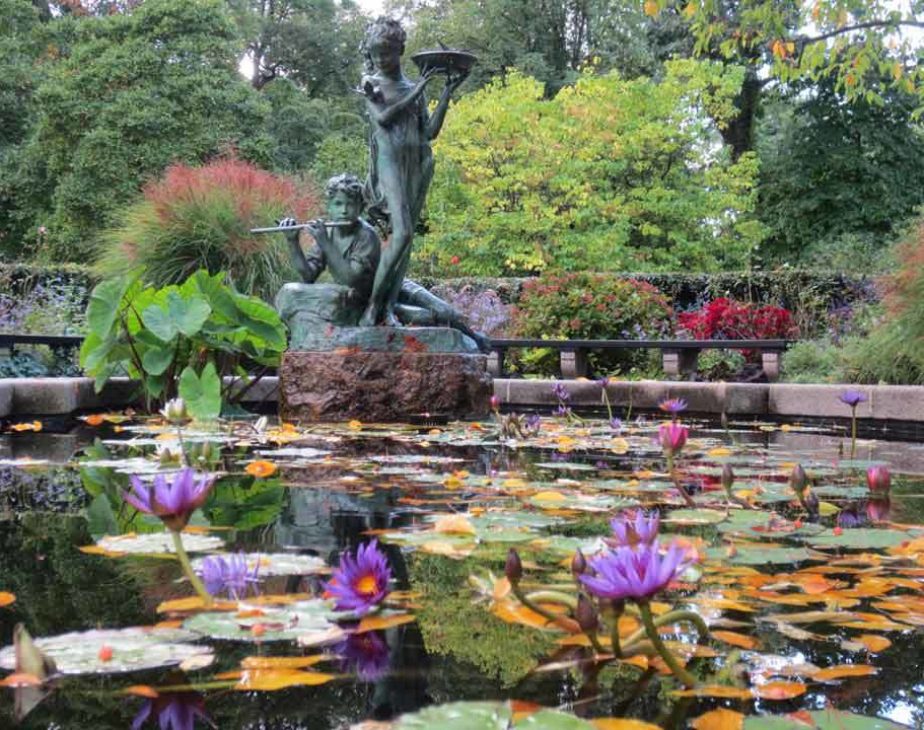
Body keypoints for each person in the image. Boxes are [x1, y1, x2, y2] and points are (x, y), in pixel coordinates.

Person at [358, 16, 468, 327]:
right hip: (389, 162)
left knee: (405, 243)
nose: (381, 59)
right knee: (402, 233)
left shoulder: (411, 87)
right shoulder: (371, 84)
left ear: (400, 51)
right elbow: (384, 118)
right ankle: (372, 308)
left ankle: (388, 308)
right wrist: (420, 87)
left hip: (417, 163)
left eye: (387, 53)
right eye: (376, 53)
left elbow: (430, 131)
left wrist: (446, 92)